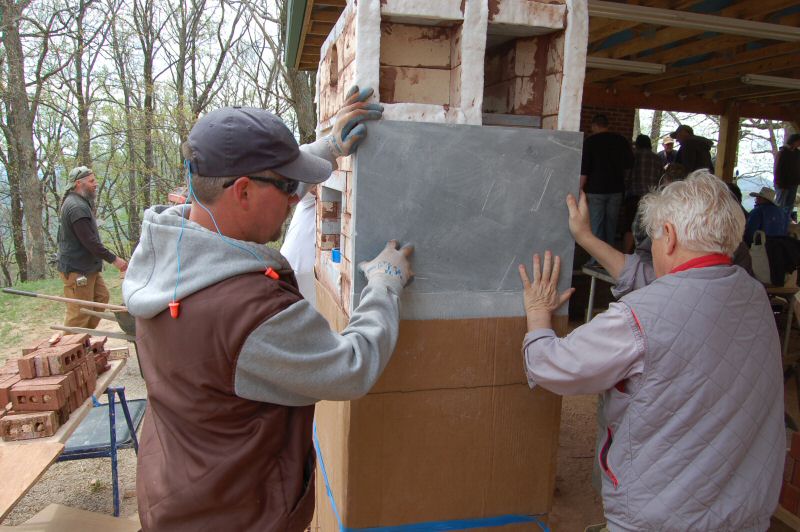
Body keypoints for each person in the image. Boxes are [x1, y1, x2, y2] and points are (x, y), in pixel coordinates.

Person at [122, 91, 412, 531]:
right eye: (286, 187)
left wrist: (323, 151)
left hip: (180, 492)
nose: (296, 199)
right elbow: (351, 366)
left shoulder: (165, 250)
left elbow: (259, 182)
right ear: (241, 191)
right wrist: (385, 285)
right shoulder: (250, 313)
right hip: (237, 516)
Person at [519, 171, 783, 531]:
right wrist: (585, 237)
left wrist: (537, 314)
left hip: (660, 516)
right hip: (743, 511)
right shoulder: (753, 295)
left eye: (655, 238)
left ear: (670, 237)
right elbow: (674, 289)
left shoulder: (641, 316)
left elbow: (554, 367)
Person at [57, 166, 128, 328]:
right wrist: (115, 260)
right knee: (80, 313)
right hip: (77, 270)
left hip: (88, 267)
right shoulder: (76, 207)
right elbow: (90, 242)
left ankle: (83, 340)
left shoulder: (81, 203)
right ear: (78, 184)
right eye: (91, 181)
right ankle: (70, 346)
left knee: (101, 299)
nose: (95, 184)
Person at [580, 114, 634, 248]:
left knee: (596, 225)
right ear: (607, 125)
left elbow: (584, 169)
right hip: (616, 189)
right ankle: (609, 256)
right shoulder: (620, 140)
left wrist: (580, 188)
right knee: (611, 225)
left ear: (594, 125)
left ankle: (596, 259)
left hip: (595, 189)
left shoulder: (590, 142)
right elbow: (629, 164)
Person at [621, 135, 663, 252]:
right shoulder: (657, 158)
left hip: (634, 196)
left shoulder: (633, 157)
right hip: (652, 198)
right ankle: (645, 254)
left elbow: (627, 177)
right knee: (649, 228)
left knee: (629, 227)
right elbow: (661, 178)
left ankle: (627, 255)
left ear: (637, 145)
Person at [774, 133, 800, 215]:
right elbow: (777, 169)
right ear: (794, 141)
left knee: (789, 206)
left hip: (793, 183)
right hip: (783, 184)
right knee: (780, 204)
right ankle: (778, 222)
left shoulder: (797, 153)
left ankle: (786, 222)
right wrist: (779, 183)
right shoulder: (782, 153)